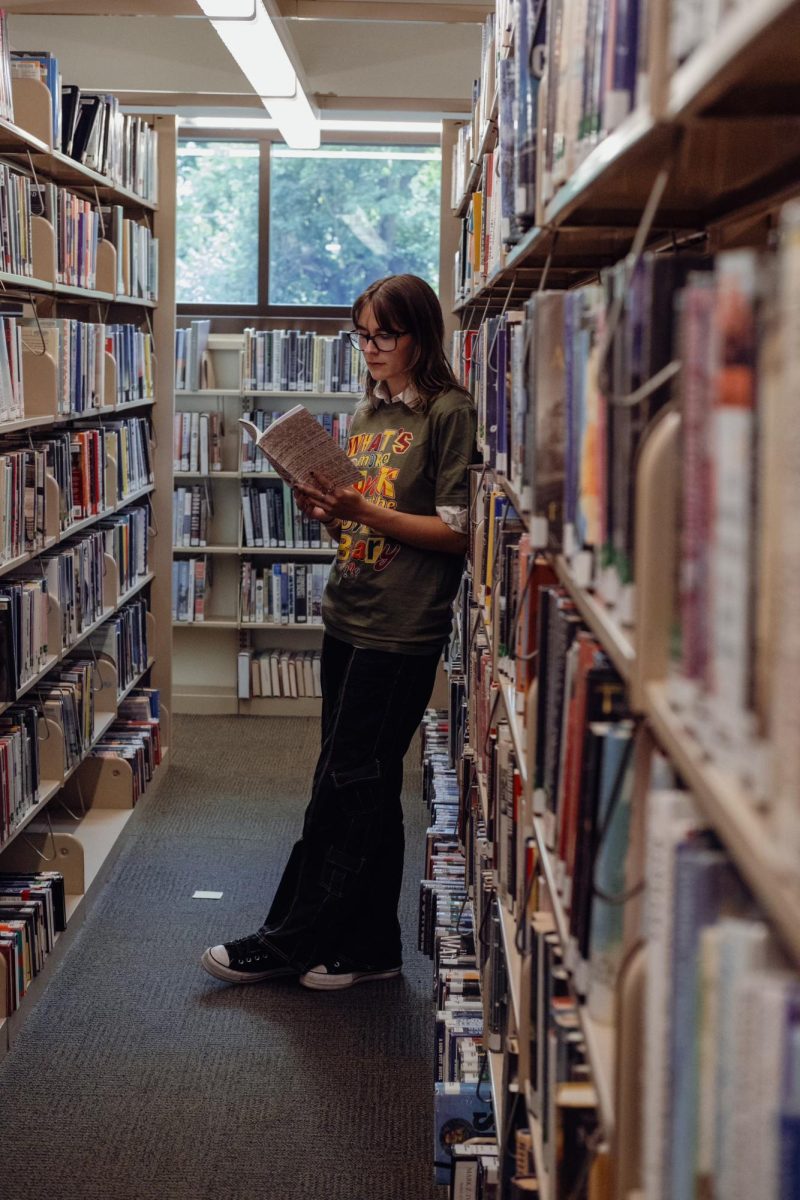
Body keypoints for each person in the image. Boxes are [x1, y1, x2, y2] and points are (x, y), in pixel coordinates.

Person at [201, 273, 476, 990]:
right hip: (349, 609)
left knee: (345, 779)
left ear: (422, 334)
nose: (372, 348)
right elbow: (364, 516)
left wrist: (365, 511)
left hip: (402, 625)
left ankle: (292, 936)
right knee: (364, 783)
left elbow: (458, 533)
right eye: (362, 334)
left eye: (386, 334)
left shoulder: (448, 413)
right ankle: (372, 946)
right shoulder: (368, 414)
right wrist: (329, 509)